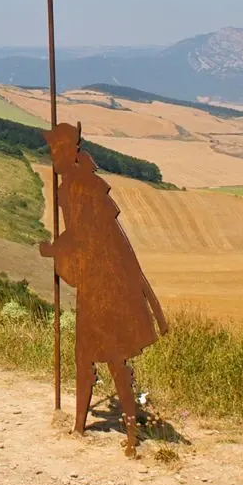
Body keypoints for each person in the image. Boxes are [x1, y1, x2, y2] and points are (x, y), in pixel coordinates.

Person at [38, 123, 167, 454]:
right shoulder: (81, 184)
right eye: (51, 152)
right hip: (99, 281)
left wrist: (53, 249)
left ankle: (119, 430)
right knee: (97, 356)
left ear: (71, 152)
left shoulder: (76, 187)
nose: (53, 158)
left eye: (56, 151)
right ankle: (87, 426)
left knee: (103, 355)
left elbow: (82, 234)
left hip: (101, 284)